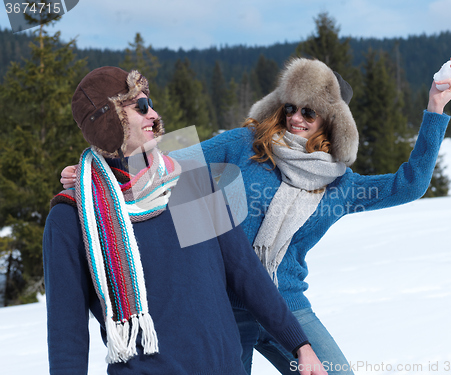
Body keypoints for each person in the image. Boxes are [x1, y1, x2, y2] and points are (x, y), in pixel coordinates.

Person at [60, 57, 451, 374]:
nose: (296, 118)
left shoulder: (343, 185)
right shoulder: (246, 144)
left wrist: (435, 107)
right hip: (226, 304)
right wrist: (100, 172)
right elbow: (166, 163)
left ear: (330, 121)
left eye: (309, 112)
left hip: (287, 305)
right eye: (291, 107)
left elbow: (409, 184)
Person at [44, 66, 328, 375]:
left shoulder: (188, 183)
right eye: (139, 106)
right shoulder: (74, 216)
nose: (153, 114)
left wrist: (300, 345)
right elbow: (66, 329)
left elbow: (244, 271)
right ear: (109, 119)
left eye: (150, 103)